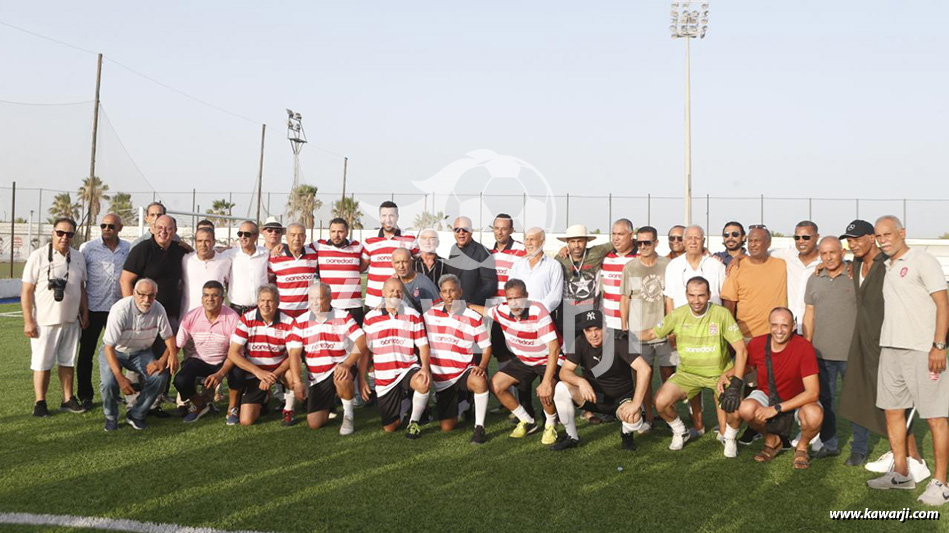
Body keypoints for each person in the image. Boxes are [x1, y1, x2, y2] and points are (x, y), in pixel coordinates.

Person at [867, 216, 949, 506]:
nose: (883, 239)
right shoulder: (887, 266)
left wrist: (938, 346)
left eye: (888, 234)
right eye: (878, 235)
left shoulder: (922, 260)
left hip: (922, 350)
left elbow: (943, 302)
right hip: (890, 349)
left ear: (902, 233)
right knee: (892, 411)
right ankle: (901, 473)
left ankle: (941, 483)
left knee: (936, 416)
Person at [836, 220, 925, 475]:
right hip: (863, 341)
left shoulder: (888, 263)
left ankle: (914, 459)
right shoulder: (854, 263)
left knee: (894, 402)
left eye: (857, 239)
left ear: (871, 238)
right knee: (861, 395)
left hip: (890, 341)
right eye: (849, 240)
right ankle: (897, 453)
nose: (852, 244)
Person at [639, 276, 748, 457]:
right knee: (660, 402)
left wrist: (736, 383)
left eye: (701, 296)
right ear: (686, 295)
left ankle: (729, 438)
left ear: (709, 295)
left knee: (736, 410)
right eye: (692, 295)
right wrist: (628, 335)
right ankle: (680, 431)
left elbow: (742, 351)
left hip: (718, 375)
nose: (696, 301)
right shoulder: (677, 314)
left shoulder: (721, 314)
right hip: (688, 374)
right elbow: (652, 332)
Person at [471, 279, 562, 445]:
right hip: (524, 359)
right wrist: (463, 305)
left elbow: (554, 349)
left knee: (545, 390)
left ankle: (550, 424)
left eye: (518, 298)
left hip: (546, 358)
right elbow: (484, 311)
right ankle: (527, 421)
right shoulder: (502, 310)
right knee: (495, 385)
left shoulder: (538, 310)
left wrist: (548, 381)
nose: (514, 303)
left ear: (526, 296)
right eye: (510, 299)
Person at [553, 310, 652, 450]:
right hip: (593, 396)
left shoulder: (619, 342)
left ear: (605, 326)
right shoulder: (580, 341)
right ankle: (572, 437)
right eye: (589, 330)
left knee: (635, 419)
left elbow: (644, 369)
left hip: (620, 400)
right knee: (561, 387)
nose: (593, 335)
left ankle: (626, 433)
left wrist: (636, 403)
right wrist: (581, 382)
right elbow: (564, 372)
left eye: (597, 329)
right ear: (584, 331)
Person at [739, 308, 823, 469]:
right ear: (769, 325)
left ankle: (802, 447)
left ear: (793, 326)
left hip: (798, 397)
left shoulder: (804, 347)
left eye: (784, 325)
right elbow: (748, 367)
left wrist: (776, 408)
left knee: (814, 414)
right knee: (746, 408)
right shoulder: (757, 343)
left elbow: (812, 392)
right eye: (775, 325)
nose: (779, 330)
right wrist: (728, 375)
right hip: (767, 393)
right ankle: (771, 440)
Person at [21, 218, 88, 416]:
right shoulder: (38, 256)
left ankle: (67, 398)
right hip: (45, 321)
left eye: (69, 234)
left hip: (71, 320)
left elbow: (82, 288)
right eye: (60, 233)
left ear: (74, 236)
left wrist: (85, 312)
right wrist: (28, 320)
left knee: (68, 361)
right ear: (53, 233)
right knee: (42, 363)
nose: (64, 237)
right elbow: (26, 291)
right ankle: (40, 402)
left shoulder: (78, 257)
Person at [662, 225, 726, 434]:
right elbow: (670, 299)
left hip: (713, 332)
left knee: (718, 382)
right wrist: (672, 330)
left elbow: (724, 297)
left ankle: (725, 430)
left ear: (703, 240)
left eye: (696, 238)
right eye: (688, 238)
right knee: (692, 381)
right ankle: (698, 425)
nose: (692, 242)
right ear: (682, 240)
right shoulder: (673, 266)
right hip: (685, 331)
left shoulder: (716, 265)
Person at [286, 283, 369, 434]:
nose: (315, 303)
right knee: (314, 423)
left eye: (319, 298)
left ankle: (348, 415)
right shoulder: (300, 321)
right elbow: (295, 354)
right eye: (311, 299)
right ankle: (330, 403)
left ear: (330, 299)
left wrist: (347, 363)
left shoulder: (343, 316)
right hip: (317, 377)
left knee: (342, 377)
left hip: (339, 367)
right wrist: (297, 382)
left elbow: (362, 340)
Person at [802, 237, 857, 460]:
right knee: (826, 401)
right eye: (824, 254)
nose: (828, 257)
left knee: (855, 402)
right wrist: (807, 345)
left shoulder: (855, 275)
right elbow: (810, 314)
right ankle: (830, 444)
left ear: (842, 252)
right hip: (821, 354)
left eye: (832, 252)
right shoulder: (814, 278)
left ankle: (860, 448)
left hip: (851, 353)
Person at [422, 274, 492, 444]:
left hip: (463, 371)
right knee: (447, 426)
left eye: (452, 290)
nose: (449, 295)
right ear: (440, 294)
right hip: (442, 377)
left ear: (460, 292)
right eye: (445, 291)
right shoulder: (429, 314)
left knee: (479, 381)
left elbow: (486, 346)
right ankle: (465, 403)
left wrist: (482, 366)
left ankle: (479, 428)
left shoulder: (473, 316)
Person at [99, 278, 177, 431]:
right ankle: (111, 416)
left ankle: (137, 414)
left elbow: (168, 336)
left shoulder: (158, 308)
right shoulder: (120, 310)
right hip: (116, 351)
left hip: (141, 352)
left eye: (151, 295)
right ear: (134, 293)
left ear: (156, 295)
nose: (147, 300)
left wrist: (169, 356)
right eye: (142, 295)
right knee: (109, 382)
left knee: (159, 376)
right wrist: (120, 378)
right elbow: (109, 348)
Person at [362, 277, 431, 438]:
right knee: (390, 427)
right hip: (385, 376)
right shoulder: (370, 317)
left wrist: (425, 368)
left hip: (407, 368)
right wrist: (362, 377)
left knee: (422, 382)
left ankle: (413, 422)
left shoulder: (413, 314)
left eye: (399, 291)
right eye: (392, 291)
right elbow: (365, 350)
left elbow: (423, 345)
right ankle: (405, 401)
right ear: (383, 293)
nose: (396, 294)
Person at [619, 225, 670, 431]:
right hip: (638, 333)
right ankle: (648, 416)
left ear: (656, 243)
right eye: (639, 243)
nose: (642, 246)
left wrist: (671, 327)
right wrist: (624, 328)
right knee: (642, 378)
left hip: (664, 332)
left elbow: (671, 298)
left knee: (669, 375)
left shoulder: (667, 265)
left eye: (647, 242)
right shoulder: (630, 267)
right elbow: (624, 298)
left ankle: (667, 413)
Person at [77, 213, 129, 410]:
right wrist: (84, 310)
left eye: (111, 226)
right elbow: (81, 280)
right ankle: (85, 395)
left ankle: (115, 392)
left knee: (119, 352)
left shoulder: (127, 248)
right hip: (93, 308)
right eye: (103, 225)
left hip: (117, 309)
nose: (107, 229)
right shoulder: (88, 248)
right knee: (86, 353)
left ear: (120, 229)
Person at [226, 284, 296, 426]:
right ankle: (263, 399)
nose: (266, 304)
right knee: (246, 420)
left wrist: (274, 374)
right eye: (262, 300)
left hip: (279, 370)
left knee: (291, 374)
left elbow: (293, 355)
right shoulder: (247, 319)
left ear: (277, 303)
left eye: (270, 301)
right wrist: (258, 372)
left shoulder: (288, 321)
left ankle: (289, 410)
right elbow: (232, 353)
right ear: (257, 302)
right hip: (256, 372)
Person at [173, 280, 239, 423]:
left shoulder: (233, 318)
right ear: (202, 299)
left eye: (215, 295)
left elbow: (235, 352)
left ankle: (232, 409)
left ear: (222, 299)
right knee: (180, 380)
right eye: (206, 295)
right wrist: (167, 359)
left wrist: (221, 373)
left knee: (238, 373)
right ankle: (200, 405)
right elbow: (178, 344)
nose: (210, 299)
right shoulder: (191, 316)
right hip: (200, 360)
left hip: (225, 359)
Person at [721, 226, 788, 339]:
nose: (752, 245)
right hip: (747, 338)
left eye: (757, 241)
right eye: (750, 241)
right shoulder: (736, 267)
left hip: (776, 337)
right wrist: (731, 336)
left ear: (768, 243)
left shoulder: (783, 265)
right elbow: (729, 305)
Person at [362, 201, 418, 310]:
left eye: (391, 215)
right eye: (384, 216)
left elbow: (419, 266)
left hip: (400, 302)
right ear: (379, 217)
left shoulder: (409, 238)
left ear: (397, 217)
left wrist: (405, 274)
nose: (388, 220)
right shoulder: (370, 239)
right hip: (373, 301)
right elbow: (361, 266)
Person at [314, 217, 369, 324]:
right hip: (329, 306)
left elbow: (363, 265)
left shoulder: (357, 246)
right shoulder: (319, 246)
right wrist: (280, 246)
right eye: (333, 231)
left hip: (353, 306)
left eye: (340, 232)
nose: (336, 235)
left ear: (347, 232)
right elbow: (298, 248)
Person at [555, 224, 606, 331]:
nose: (576, 245)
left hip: (589, 311)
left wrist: (635, 241)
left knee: (589, 344)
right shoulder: (560, 259)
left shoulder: (596, 253)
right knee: (568, 345)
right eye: (573, 241)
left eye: (580, 241)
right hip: (567, 312)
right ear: (567, 242)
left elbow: (617, 243)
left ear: (586, 241)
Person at [509, 227, 564, 325]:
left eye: (532, 239)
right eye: (526, 239)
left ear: (542, 241)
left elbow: (555, 296)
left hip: (544, 319)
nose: (528, 243)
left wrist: (537, 312)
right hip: (519, 318)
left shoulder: (554, 265)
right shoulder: (518, 264)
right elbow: (511, 290)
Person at [268, 222, 319, 319]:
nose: (297, 239)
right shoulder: (275, 257)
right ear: (286, 237)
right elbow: (269, 281)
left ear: (305, 237)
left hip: (307, 313)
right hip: (283, 313)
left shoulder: (313, 255)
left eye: (300, 235)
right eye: (293, 235)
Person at [445, 216, 497, 307]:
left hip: (473, 308)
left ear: (471, 231)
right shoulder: (453, 249)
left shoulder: (482, 252)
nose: (461, 233)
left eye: (465, 229)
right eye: (457, 229)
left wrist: (471, 303)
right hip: (454, 307)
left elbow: (490, 284)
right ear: (453, 232)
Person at [598, 219, 639, 331]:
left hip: (635, 326)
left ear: (631, 235)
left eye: (620, 234)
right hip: (609, 325)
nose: (616, 238)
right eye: (614, 234)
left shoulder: (641, 258)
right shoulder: (605, 258)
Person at [181, 227, 232, 314]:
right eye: (199, 241)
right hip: (189, 316)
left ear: (214, 242)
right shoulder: (186, 259)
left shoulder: (225, 261)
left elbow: (229, 286)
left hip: (217, 316)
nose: (203, 245)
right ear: (195, 242)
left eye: (207, 241)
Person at [224, 220, 269, 316]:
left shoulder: (266, 254)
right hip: (236, 311)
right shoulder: (230, 254)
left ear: (256, 236)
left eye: (247, 234)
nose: (243, 237)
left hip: (260, 311)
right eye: (240, 234)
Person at [488, 213, 526, 300]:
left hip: (512, 304)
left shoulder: (523, 250)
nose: (499, 233)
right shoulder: (486, 251)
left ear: (511, 230)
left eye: (504, 229)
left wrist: (564, 248)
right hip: (489, 305)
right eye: (496, 228)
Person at [393, 248, 439, 313]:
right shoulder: (392, 283)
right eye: (397, 262)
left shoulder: (423, 283)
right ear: (392, 264)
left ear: (411, 262)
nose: (401, 266)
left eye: (405, 262)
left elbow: (432, 312)